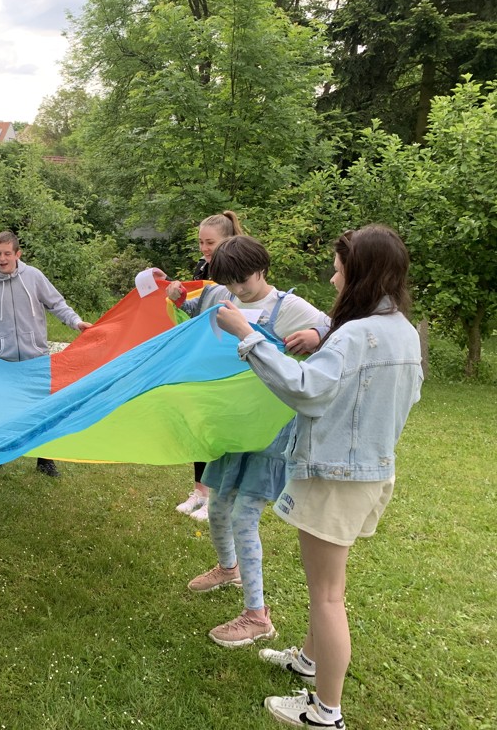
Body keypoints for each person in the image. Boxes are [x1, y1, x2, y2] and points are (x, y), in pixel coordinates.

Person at [215, 224, 422, 730]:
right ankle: (309, 660)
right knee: (325, 588)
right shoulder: (403, 331)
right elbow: (403, 391)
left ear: (362, 274)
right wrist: (325, 339)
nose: (333, 280)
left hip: (335, 477)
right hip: (370, 471)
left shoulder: (354, 334)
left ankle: (325, 711)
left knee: (328, 596)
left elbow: (304, 388)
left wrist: (247, 337)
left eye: (338, 270)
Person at [183, 236, 329, 649]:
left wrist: (316, 333)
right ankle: (228, 569)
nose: (237, 289)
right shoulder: (223, 295)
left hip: (269, 433)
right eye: (228, 281)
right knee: (218, 509)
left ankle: (257, 615)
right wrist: (177, 296)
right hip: (233, 426)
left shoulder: (289, 306)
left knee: (243, 517)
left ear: (262, 269)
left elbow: (336, 328)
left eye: (243, 280)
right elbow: (197, 308)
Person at [0, 230, 93, 477]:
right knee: (2, 412)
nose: (2, 259)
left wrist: (76, 322)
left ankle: (45, 459)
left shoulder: (34, 276)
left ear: (18, 254)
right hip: (2, 361)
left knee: (42, 411)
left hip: (36, 358)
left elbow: (57, 304)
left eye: (7, 254)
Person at [157, 210, 246, 522]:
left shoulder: (240, 275)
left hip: (226, 361)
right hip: (203, 359)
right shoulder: (204, 269)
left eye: (211, 243)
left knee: (219, 431)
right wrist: (179, 299)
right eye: (201, 242)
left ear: (229, 241)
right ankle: (201, 491)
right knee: (200, 425)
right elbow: (198, 310)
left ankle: (218, 495)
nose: (205, 248)